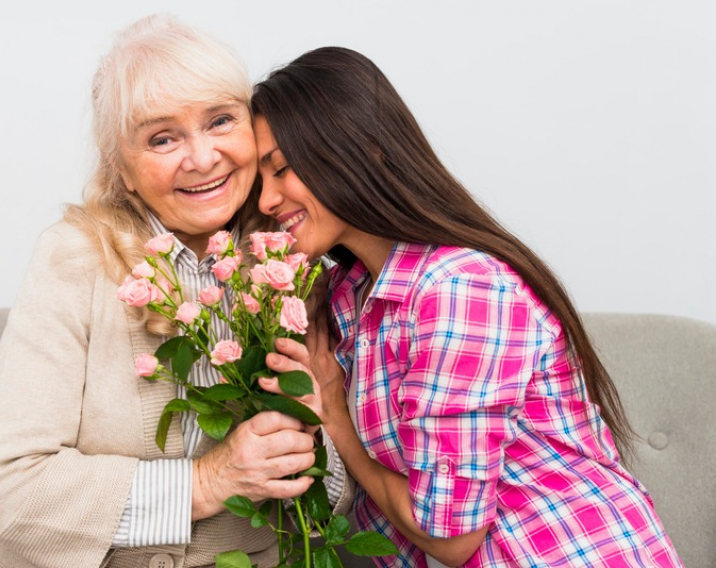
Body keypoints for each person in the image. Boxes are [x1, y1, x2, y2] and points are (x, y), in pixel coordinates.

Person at [253, 47, 683, 567]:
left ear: (361, 150)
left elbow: (451, 539)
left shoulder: (457, 289)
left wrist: (337, 418)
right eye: (260, 181)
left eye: (281, 170)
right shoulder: (352, 296)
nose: (267, 201)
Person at [0, 16, 352, 568]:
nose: (200, 158)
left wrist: (313, 450)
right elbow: (5, 487)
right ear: (121, 168)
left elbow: (337, 506)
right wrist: (207, 482)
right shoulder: (73, 257)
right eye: (162, 138)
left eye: (220, 121)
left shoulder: (291, 262)